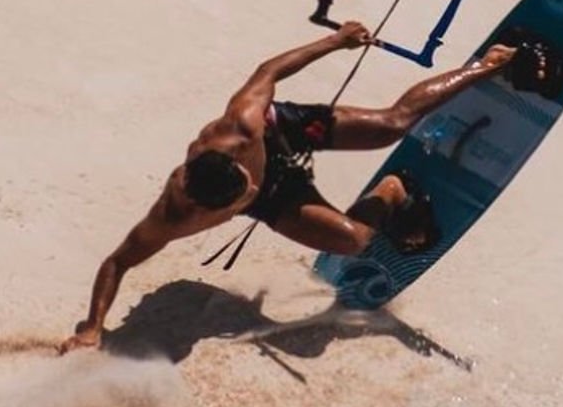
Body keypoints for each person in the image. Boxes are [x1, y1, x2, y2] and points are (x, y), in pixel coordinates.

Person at [59, 22, 516, 352]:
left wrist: (336, 41)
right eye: (241, 195)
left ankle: (486, 66)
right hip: (273, 196)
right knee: (355, 242)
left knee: (390, 125)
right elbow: (117, 262)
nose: (248, 184)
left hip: (282, 133)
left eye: (244, 180)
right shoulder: (173, 216)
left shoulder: (241, 125)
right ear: (208, 209)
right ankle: (393, 191)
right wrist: (92, 328)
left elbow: (268, 71)